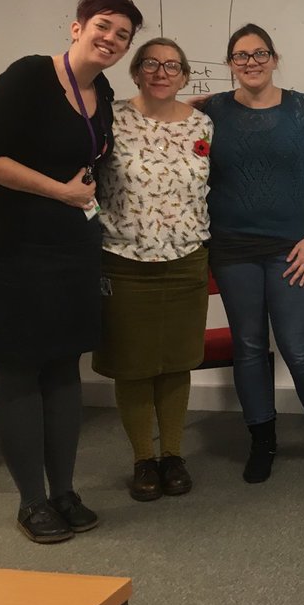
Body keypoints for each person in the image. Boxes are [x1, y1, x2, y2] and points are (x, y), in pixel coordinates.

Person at [0, 0, 142, 543]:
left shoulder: (103, 90)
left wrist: (69, 201)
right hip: (8, 244)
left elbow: (92, 154)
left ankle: (64, 490)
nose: (109, 38)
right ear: (77, 27)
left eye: (122, 35)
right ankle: (31, 501)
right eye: (102, 26)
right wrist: (57, 192)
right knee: (19, 367)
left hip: (68, 244)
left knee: (65, 367)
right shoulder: (30, 76)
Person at [202, 23, 304, 483]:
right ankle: (262, 441)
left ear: (275, 58)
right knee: (247, 348)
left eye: (260, 53)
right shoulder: (213, 111)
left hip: (293, 249)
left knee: (298, 348)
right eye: (241, 56)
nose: (251, 63)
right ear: (229, 64)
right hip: (232, 248)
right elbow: (162, 116)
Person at [92, 38, 212, 502]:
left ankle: (173, 456)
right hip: (124, 261)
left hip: (186, 259)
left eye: (172, 66)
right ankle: (144, 458)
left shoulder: (203, 123)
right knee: (134, 365)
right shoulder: (111, 120)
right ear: (136, 72)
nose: (162, 73)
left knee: (177, 361)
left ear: (184, 75)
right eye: (151, 65)